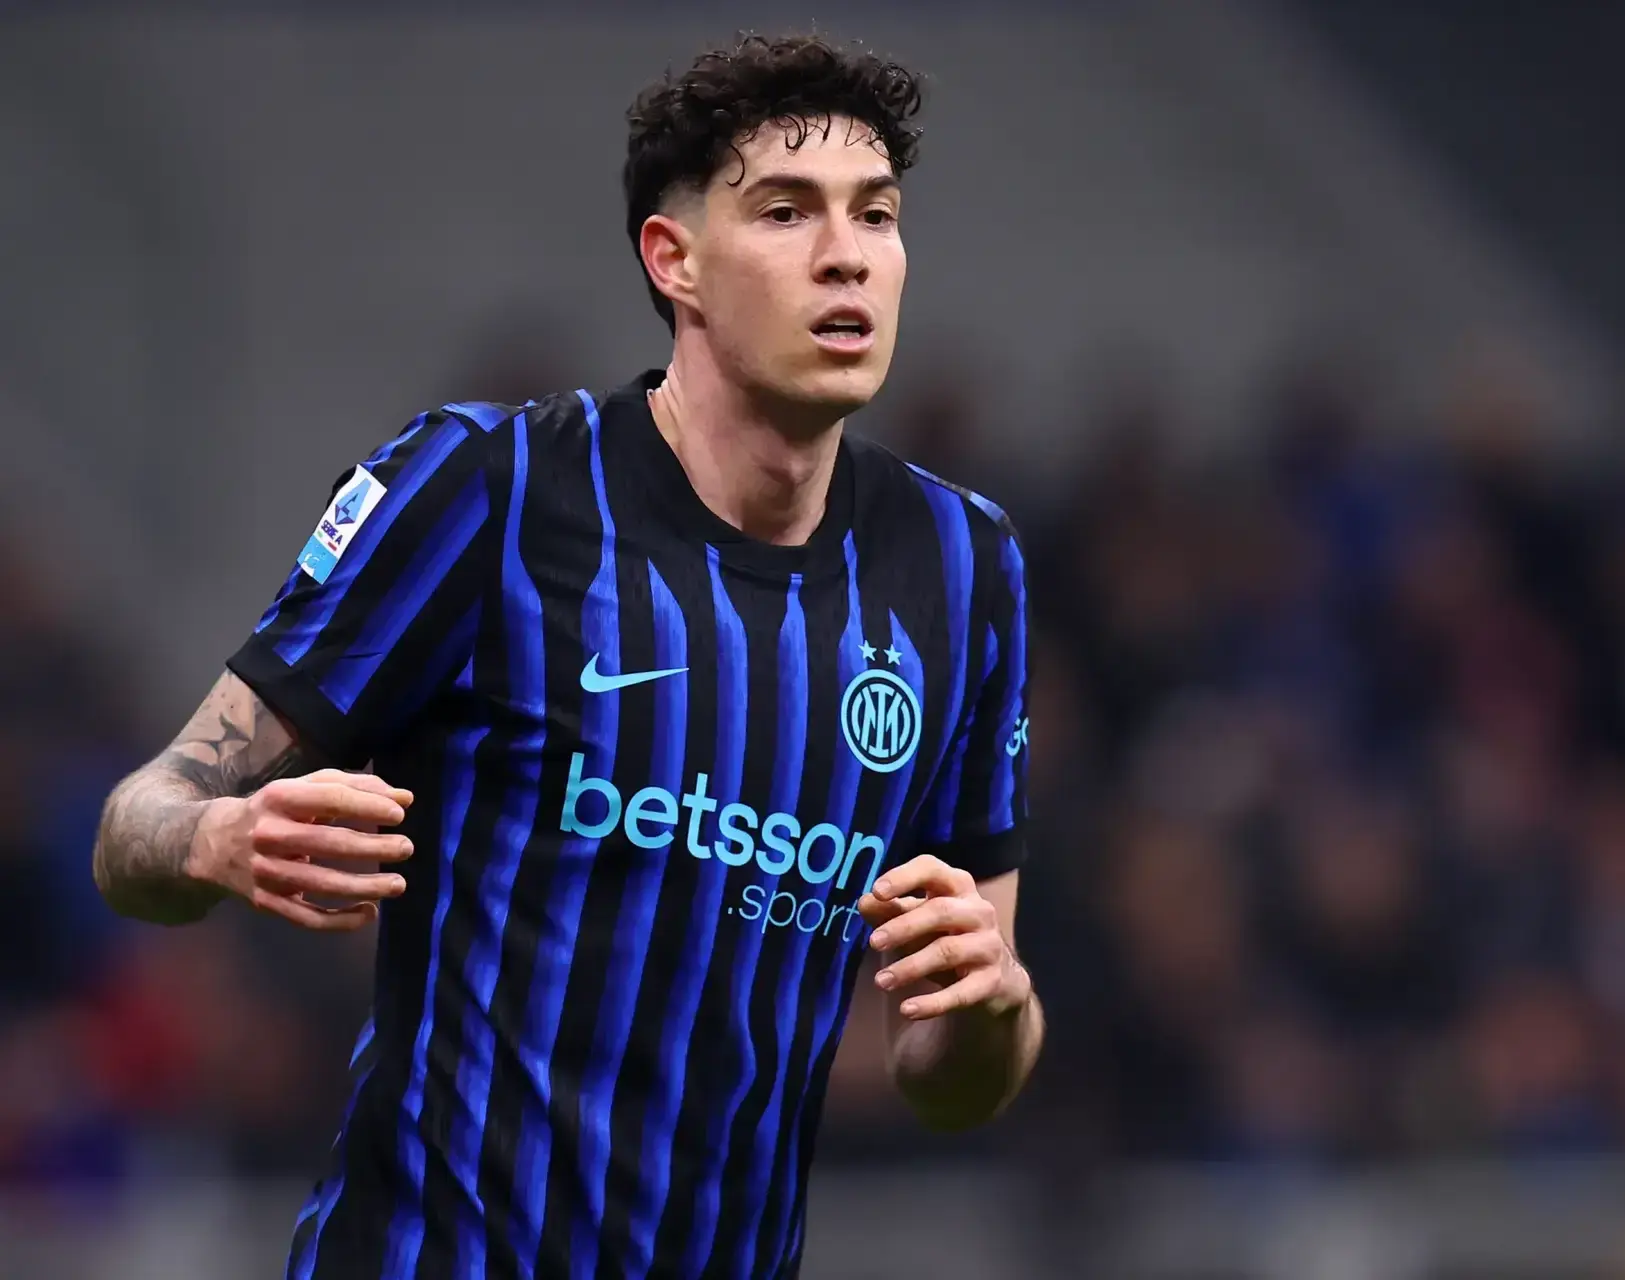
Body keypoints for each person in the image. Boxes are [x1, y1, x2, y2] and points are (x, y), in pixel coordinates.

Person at [90, 33, 1043, 1279]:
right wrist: (214, 837)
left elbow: (951, 1077)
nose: (847, 253)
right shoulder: (490, 491)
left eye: (877, 214)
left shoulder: (963, 565)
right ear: (674, 259)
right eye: (785, 211)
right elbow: (134, 825)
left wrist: (999, 1009)